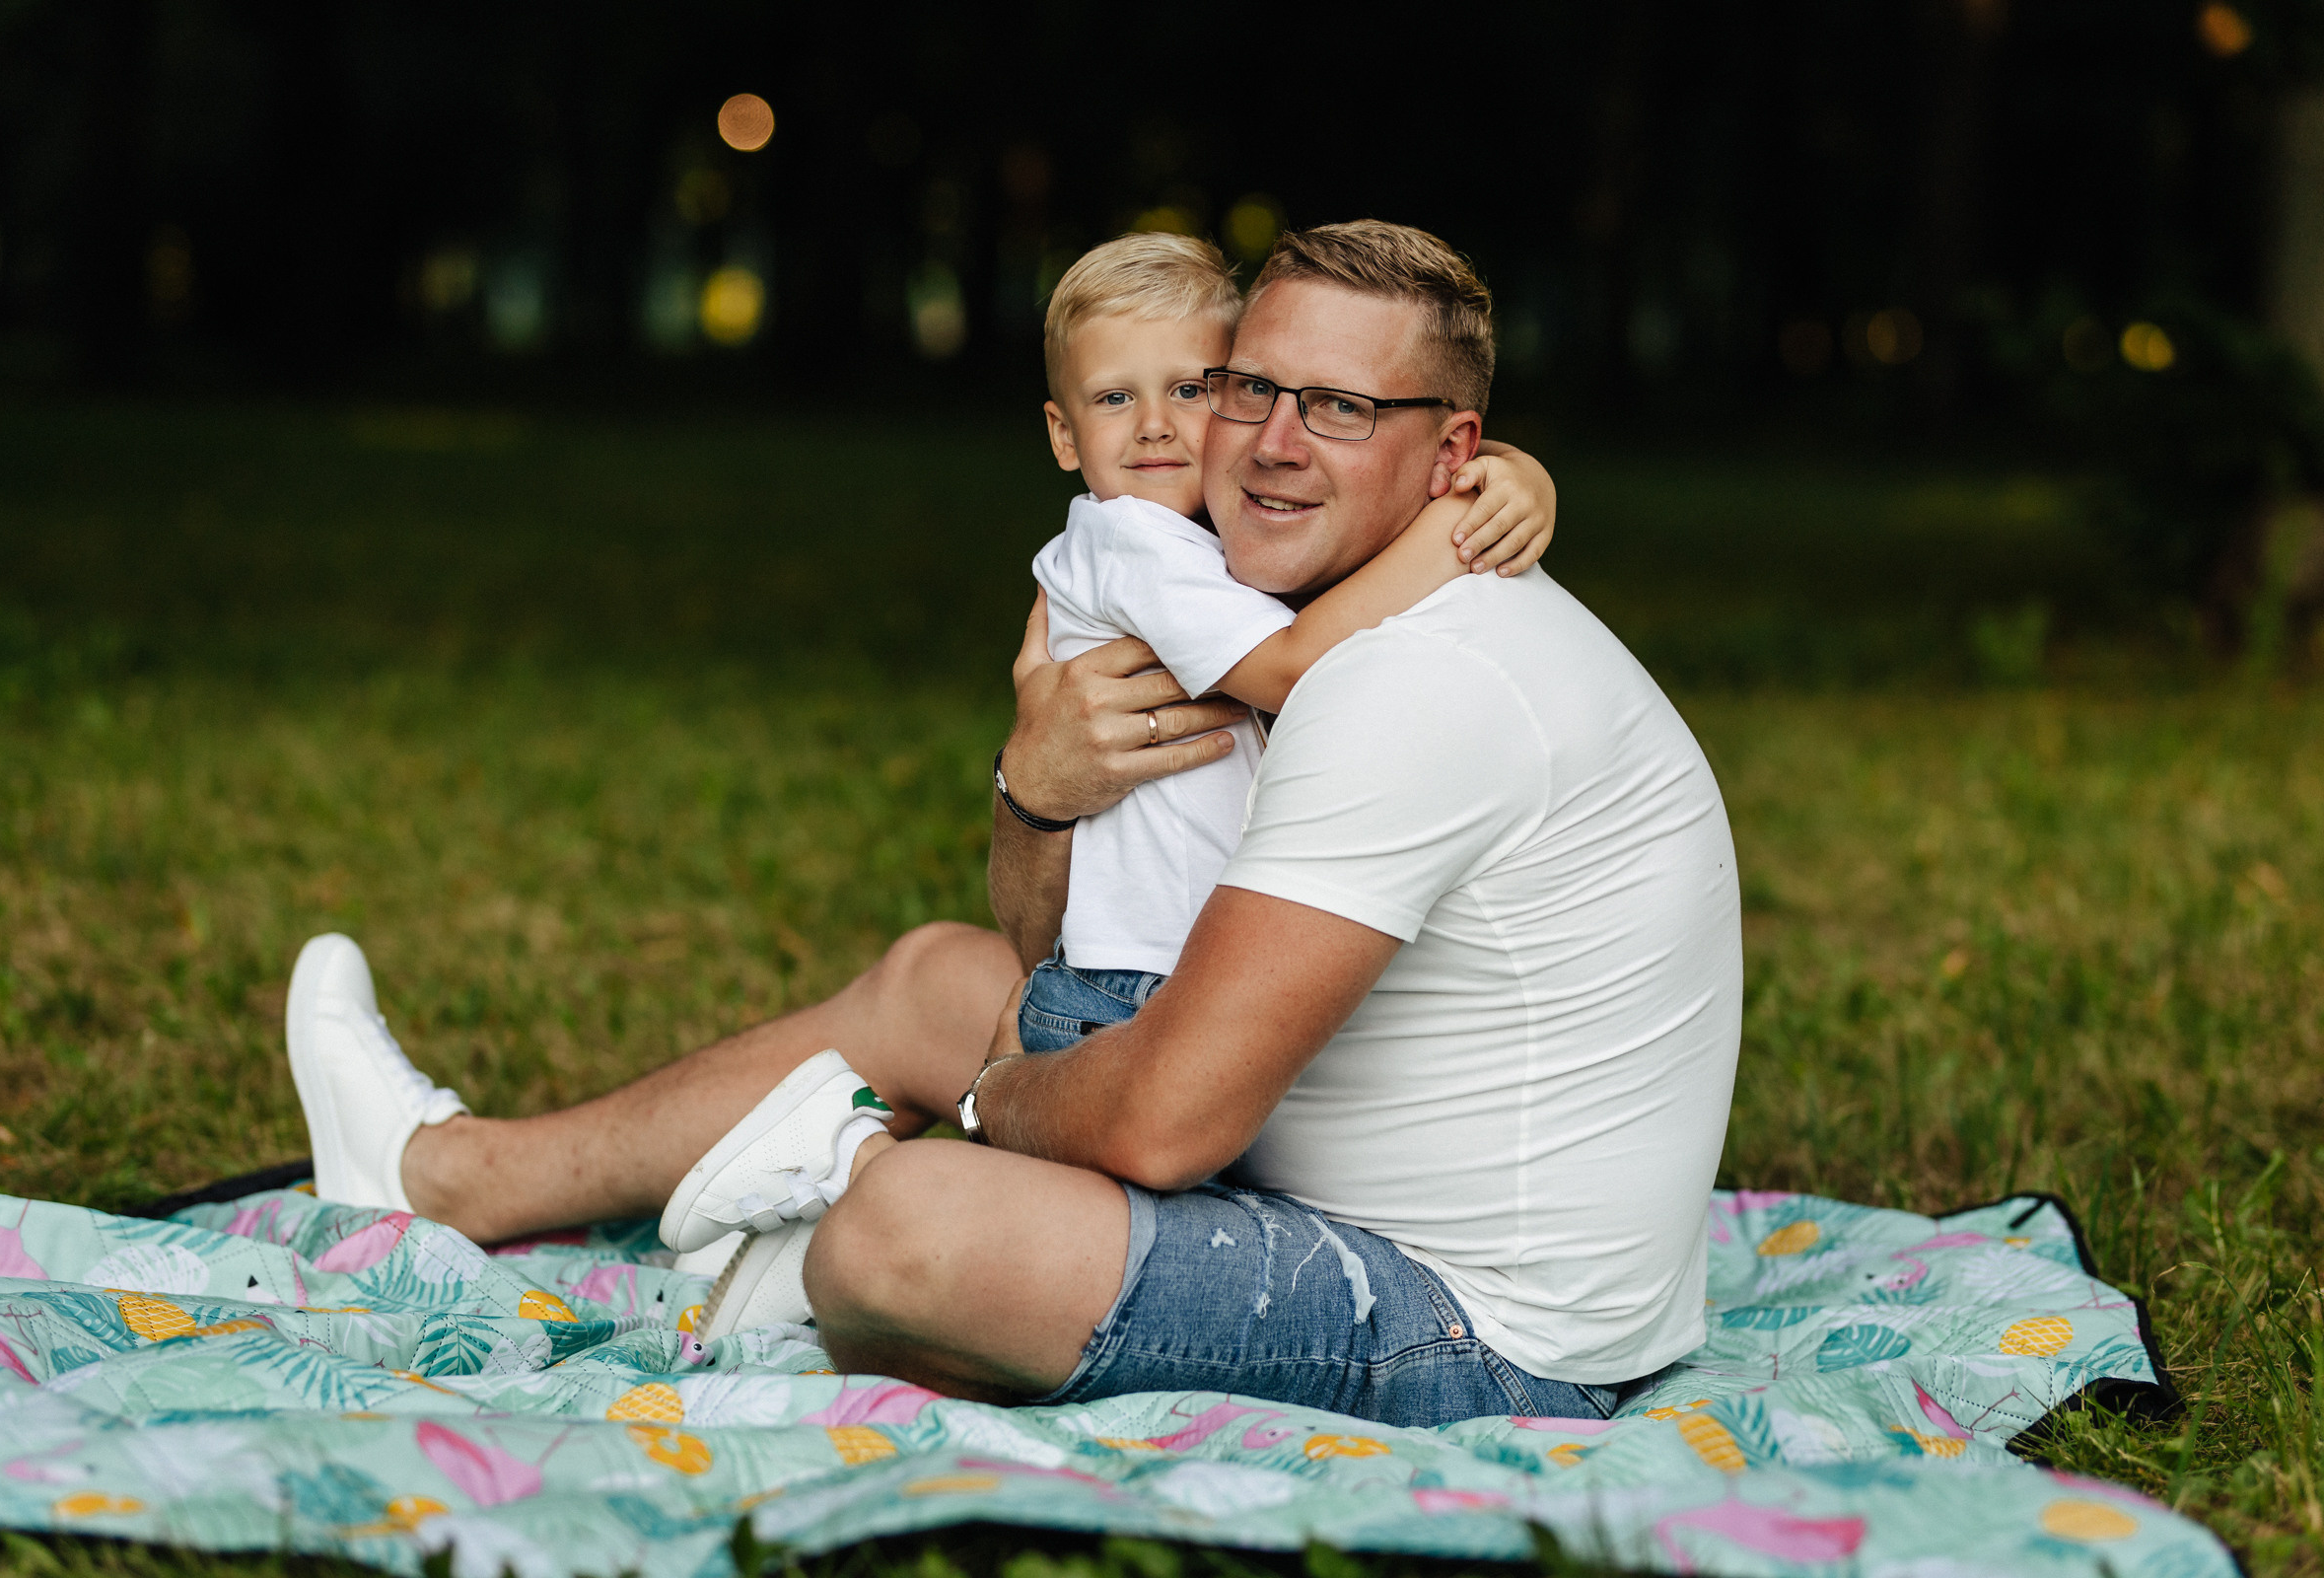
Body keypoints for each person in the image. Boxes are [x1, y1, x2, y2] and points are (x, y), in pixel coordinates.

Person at [284, 220, 1742, 1430]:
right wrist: (1037, 790)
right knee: (941, 977)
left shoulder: (1406, 679)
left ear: (1453, 456)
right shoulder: (1261, 598)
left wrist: (992, 1105)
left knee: (904, 1224)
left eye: (1343, 409)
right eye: (1249, 388)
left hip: (1488, 1334)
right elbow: (1049, 942)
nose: (1270, 444)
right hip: (1316, 1141)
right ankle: (448, 1176)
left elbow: (1164, 1121)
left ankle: (825, 1210)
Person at [1012, 229, 1554, 1053]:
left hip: (1150, 962)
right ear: (1063, 435)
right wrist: (1454, 523)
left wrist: (1513, 469)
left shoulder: (1194, 538)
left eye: (1189, 390)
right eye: (1115, 398)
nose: (1154, 427)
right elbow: (1295, 668)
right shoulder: (1133, 543)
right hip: (1134, 981)